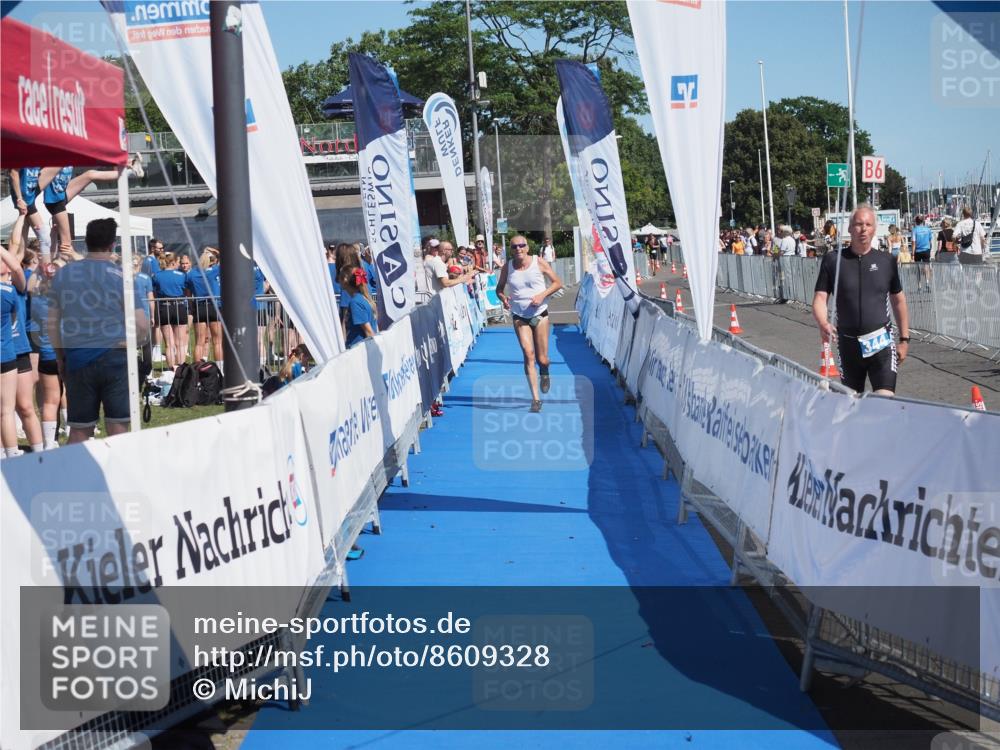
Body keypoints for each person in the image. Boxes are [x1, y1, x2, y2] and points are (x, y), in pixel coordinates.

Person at [47, 218, 149, 443]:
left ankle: (74, 478)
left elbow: (52, 322)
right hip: (116, 355)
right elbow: (142, 324)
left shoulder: (64, 275)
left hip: (77, 356)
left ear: (87, 242)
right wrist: (137, 343)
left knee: (80, 430)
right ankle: (118, 477)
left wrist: (60, 357)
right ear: (112, 244)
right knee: (118, 429)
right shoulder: (122, 277)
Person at [812, 205, 909, 396]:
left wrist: (904, 339)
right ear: (849, 229)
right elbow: (820, 298)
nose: (863, 229)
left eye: (868, 224)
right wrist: (823, 323)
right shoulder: (833, 260)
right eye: (858, 224)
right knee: (851, 406)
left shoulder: (886, 260)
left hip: (881, 344)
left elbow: (898, 300)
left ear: (874, 229)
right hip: (848, 345)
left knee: (885, 401)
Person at [495, 235, 564, 413]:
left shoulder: (538, 262)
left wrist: (542, 295)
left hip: (540, 314)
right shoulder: (507, 267)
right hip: (519, 315)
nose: (518, 249)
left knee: (542, 359)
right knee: (528, 354)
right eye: (514, 247)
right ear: (510, 250)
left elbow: (557, 283)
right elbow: (499, 289)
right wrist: (503, 298)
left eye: (521, 245)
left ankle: (545, 371)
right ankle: (535, 399)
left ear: (527, 247)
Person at [40, 157, 144, 258]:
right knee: (66, 243)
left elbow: (93, 158)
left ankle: (131, 173)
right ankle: (60, 266)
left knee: (90, 174)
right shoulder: (54, 155)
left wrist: (123, 161)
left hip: (61, 193)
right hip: (54, 200)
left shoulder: (70, 154)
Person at [1, 244, 27, 457]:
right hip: (6, 355)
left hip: (7, 355)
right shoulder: (9, 292)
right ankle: (11, 455)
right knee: (7, 411)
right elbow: (17, 269)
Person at [152, 252, 189, 369]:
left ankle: (171, 369)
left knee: (169, 344)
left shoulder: (157, 275)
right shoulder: (182, 275)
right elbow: (187, 291)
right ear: (173, 262)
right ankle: (181, 370)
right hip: (179, 306)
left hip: (164, 307)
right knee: (180, 343)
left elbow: (154, 293)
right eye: (178, 262)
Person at [187, 247, 223, 363]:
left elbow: (188, 292)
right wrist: (217, 252)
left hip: (199, 307)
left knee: (199, 342)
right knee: (217, 342)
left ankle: (197, 369)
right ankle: (220, 367)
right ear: (212, 260)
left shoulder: (191, 273)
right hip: (213, 307)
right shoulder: (213, 271)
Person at [339, 264, 377, 348]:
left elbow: (369, 332)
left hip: (358, 352)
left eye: (339, 277)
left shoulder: (355, 302)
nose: (338, 280)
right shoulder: (362, 298)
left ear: (345, 280)